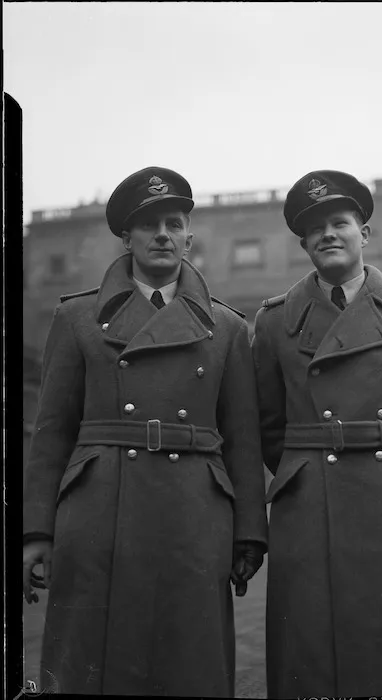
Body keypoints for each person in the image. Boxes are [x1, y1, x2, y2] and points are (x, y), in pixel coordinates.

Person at [23, 166, 268, 696]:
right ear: (127, 236)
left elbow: (244, 440)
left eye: (174, 223)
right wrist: (37, 532)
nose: (163, 234)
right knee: (92, 655)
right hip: (98, 509)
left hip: (195, 513)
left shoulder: (226, 327)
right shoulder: (77, 318)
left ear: (188, 237)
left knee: (190, 658)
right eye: (150, 224)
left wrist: (249, 531)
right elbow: (51, 434)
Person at [252, 170, 382, 697]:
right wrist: (312, 467)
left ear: (363, 234)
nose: (328, 234)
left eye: (339, 222)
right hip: (311, 505)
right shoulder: (275, 323)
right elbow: (267, 422)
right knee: (313, 644)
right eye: (315, 228)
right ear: (303, 243)